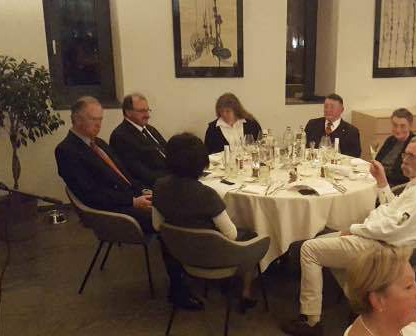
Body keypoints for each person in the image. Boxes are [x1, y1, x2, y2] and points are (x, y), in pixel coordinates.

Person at [283, 136, 416, 336]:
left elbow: (392, 229)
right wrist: (382, 182)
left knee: (309, 249)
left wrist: (355, 229)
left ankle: (311, 321)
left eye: (411, 156)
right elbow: (394, 211)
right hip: (385, 240)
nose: (404, 160)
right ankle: (359, 304)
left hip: (385, 248)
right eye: (405, 154)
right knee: (322, 238)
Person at [54, 97, 202, 310]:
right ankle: (178, 288)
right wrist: (132, 201)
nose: (99, 124)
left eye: (100, 119)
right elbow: (91, 195)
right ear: (76, 120)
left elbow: (125, 176)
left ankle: (194, 266)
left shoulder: (99, 143)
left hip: (129, 199)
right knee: (171, 220)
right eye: (94, 119)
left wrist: (144, 191)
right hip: (112, 210)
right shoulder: (67, 151)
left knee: (181, 205)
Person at [152, 133, 262, 311]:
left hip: (177, 252)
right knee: (251, 234)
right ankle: (245, 293)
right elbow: (231, 234)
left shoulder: (159, 186)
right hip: (212, 254)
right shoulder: (207, 194)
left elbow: (157, 225)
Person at [110, 93, 169, 187]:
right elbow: (139, 172)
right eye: (142, 111)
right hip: (152, 185)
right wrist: (172, 177)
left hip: (170, 176)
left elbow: (167, 151)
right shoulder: (120, 136)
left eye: (147, 110)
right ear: (128, 112)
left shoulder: (150, 129)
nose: (147, 115)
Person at [304, 93, 362, 158]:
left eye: (332, 107)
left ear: (341, 110)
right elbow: (304, 148)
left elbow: (354, 157)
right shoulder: (312, 124)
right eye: (326, 107)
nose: (328, 110)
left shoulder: (351, 132)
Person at [373, 108, 416, 187]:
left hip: (396, 186)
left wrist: (382, 174)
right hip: (379, 179)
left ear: (410, 126)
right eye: (395, 125)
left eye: (402, 126)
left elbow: (407, 175)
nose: (398, 130)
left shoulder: (415, 144)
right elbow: (377, 161)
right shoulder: (390, 140)